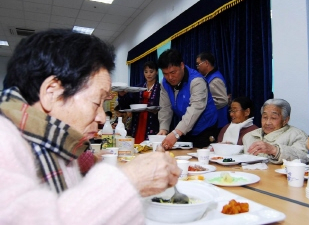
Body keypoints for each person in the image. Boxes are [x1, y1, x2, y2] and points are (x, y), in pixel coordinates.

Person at [0, 29, 180, 224]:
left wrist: (91, 161)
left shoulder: (49, 139)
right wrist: (130, 181)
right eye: (96, 103)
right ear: (51, 93)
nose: (102, 118)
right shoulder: (4, 141)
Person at [157, 49, 218, 149]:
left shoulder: (197, 81)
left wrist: (176, 133)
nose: (170, 77)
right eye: (165, 74)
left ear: (182, 65)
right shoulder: (164, 82)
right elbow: (165, 107)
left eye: (173, 72)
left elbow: (195, 109)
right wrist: (164, 128)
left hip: (205, 129)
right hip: (186, 129)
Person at [243, 98, 309, 164]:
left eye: (273, 118)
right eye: (265, 117)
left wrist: (275, 150)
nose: (268, 122)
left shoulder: (297, 135)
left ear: (285, 120)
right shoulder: (249, 136)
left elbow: (304, 158)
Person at [118, 61, 160, 144]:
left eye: (151, 71)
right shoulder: (137, 88)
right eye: (146, 72)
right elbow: (127, 106)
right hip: (138, 121)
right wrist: (122, 95)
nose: (149, 74)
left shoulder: (160, 88)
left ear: (157, 72)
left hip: (153, 121)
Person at [196, 52, 229, 139]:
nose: (197, 67)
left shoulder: (215, 79)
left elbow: (223, 100)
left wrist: (202, 104)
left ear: (206, 63)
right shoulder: (208, 78)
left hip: (217, 123)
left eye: (198, 64)